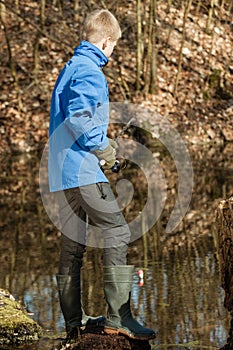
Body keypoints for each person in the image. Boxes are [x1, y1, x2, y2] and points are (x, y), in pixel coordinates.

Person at [48, 9, 155, 341]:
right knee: (118, 232)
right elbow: (81, 120)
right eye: (114, 46)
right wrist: (105, 150)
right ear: (107, 42)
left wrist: (103, 144)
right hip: (82, 170)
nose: (112, 52)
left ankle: (73, 325)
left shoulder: (69, 68)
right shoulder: (90, 71)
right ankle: (118, 318)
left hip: (62, 171)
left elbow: (69, 118)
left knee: (72, 247)